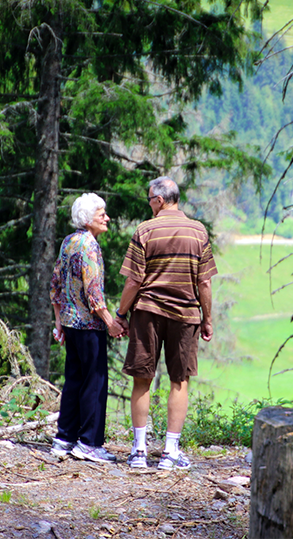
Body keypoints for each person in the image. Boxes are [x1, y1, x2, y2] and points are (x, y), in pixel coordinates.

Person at [114, 176, 216, 470]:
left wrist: (121, 315)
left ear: (159, 200)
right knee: (179, 381)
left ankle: (139, 452)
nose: (149, 205)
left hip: (147, 312)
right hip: (185, 315)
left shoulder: (145, 230)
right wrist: (207, 319)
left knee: (142, 380)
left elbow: (134, 281)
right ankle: (170, 453)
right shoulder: (198, 231)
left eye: (149, 200)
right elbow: (205, 282)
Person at [49, 193, 124, 464]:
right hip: (89, 325)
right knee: (95, 382)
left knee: (74, 381)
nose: (107, 218)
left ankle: (64, 438)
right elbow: (94, 294)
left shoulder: (69, 241)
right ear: (87, 218)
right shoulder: (90, 246)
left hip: (70, 323)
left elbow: (55, 285)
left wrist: (59, 322)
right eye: (101, 213)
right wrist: (111, 323)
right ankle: (89, 443)